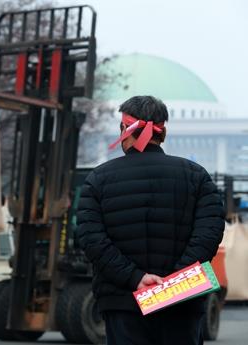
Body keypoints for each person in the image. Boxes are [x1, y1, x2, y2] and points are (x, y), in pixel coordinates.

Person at [77, 96, 225, 345]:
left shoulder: (98, 179)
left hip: (123, 301)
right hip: (183, 300)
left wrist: (135, 278)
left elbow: (91, 239)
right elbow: (210, 233)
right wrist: (173, 281)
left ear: (126, 130)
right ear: (162, 132)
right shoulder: (196, 176)